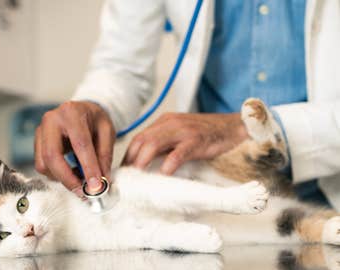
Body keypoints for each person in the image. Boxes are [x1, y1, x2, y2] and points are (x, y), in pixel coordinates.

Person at [34, 1, 340, 208]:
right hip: (214, 197)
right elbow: (121, 65)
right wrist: (94, 105)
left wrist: (246, 129)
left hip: (328, 197)